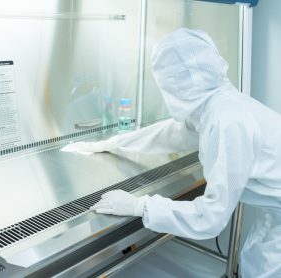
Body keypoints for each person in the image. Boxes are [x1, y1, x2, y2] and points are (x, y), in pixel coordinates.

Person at [62, 28, 281, 277]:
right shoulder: (216, 104)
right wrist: (112, 143)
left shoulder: (227, 120)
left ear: (175, 82)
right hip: (274, 212)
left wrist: (141, 206)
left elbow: (210, 219)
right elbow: (173, 133)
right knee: (256, 263)